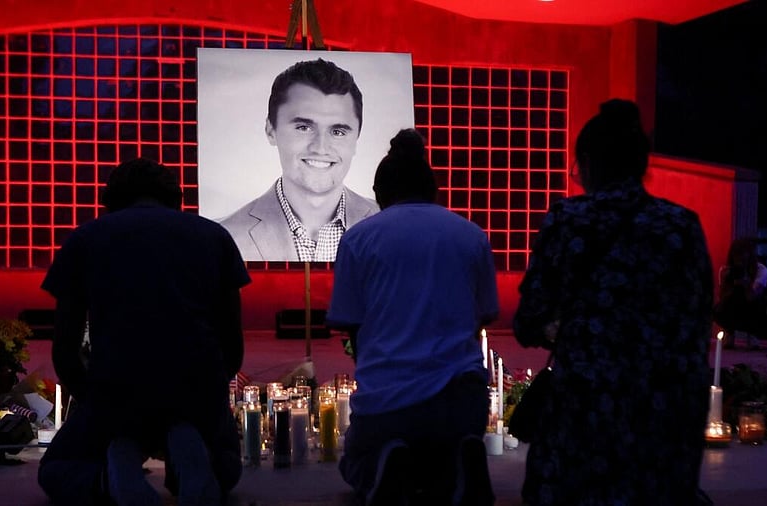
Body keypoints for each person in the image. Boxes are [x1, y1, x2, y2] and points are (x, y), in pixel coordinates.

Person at [512, 100, 714, 506]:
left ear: (587, 162)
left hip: (586, 414)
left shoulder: (569, 220)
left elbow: (529, 318)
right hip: (662, 415)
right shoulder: (680, 225)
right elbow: (695, 322)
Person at [37, 158, 250, 506]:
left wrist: (94, 402)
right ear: (175, 196)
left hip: (116, 390)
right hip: (195, 389)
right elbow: (232, 344)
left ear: (111, 199)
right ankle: (185, 444)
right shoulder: (215, 236)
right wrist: (207, 396)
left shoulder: (85, 239)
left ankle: (113, 469)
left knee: (58, 469)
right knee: (225, 469)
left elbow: (65, 350)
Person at [327, 129, 500, 506]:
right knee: (441, 464)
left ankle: (387, 464)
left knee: (354, 465)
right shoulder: (471, 234)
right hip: (462, 401)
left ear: (380, 193)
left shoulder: (359, 238)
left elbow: (351, 323)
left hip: (388, 400)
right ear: (433, 190)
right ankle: (460, 460)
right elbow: (484, 316)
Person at [220, 58, 380, 262]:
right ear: (271, 131)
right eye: (304, 127)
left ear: (356, 137)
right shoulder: (226, 237)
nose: (321, 147)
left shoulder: (391, 228)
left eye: (338, 131)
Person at [713, 237, 767, 349]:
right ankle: (729, 332)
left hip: (752, 306)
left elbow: (752, 298)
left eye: (743, 255)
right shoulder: (726, 271)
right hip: (733, 306)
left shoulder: (760, 270)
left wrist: (746, 284)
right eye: (736, 255)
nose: (740, 259)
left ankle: (752, 334)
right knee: (720, 307)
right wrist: (726, 282)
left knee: (756, 304)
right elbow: (722, 300)